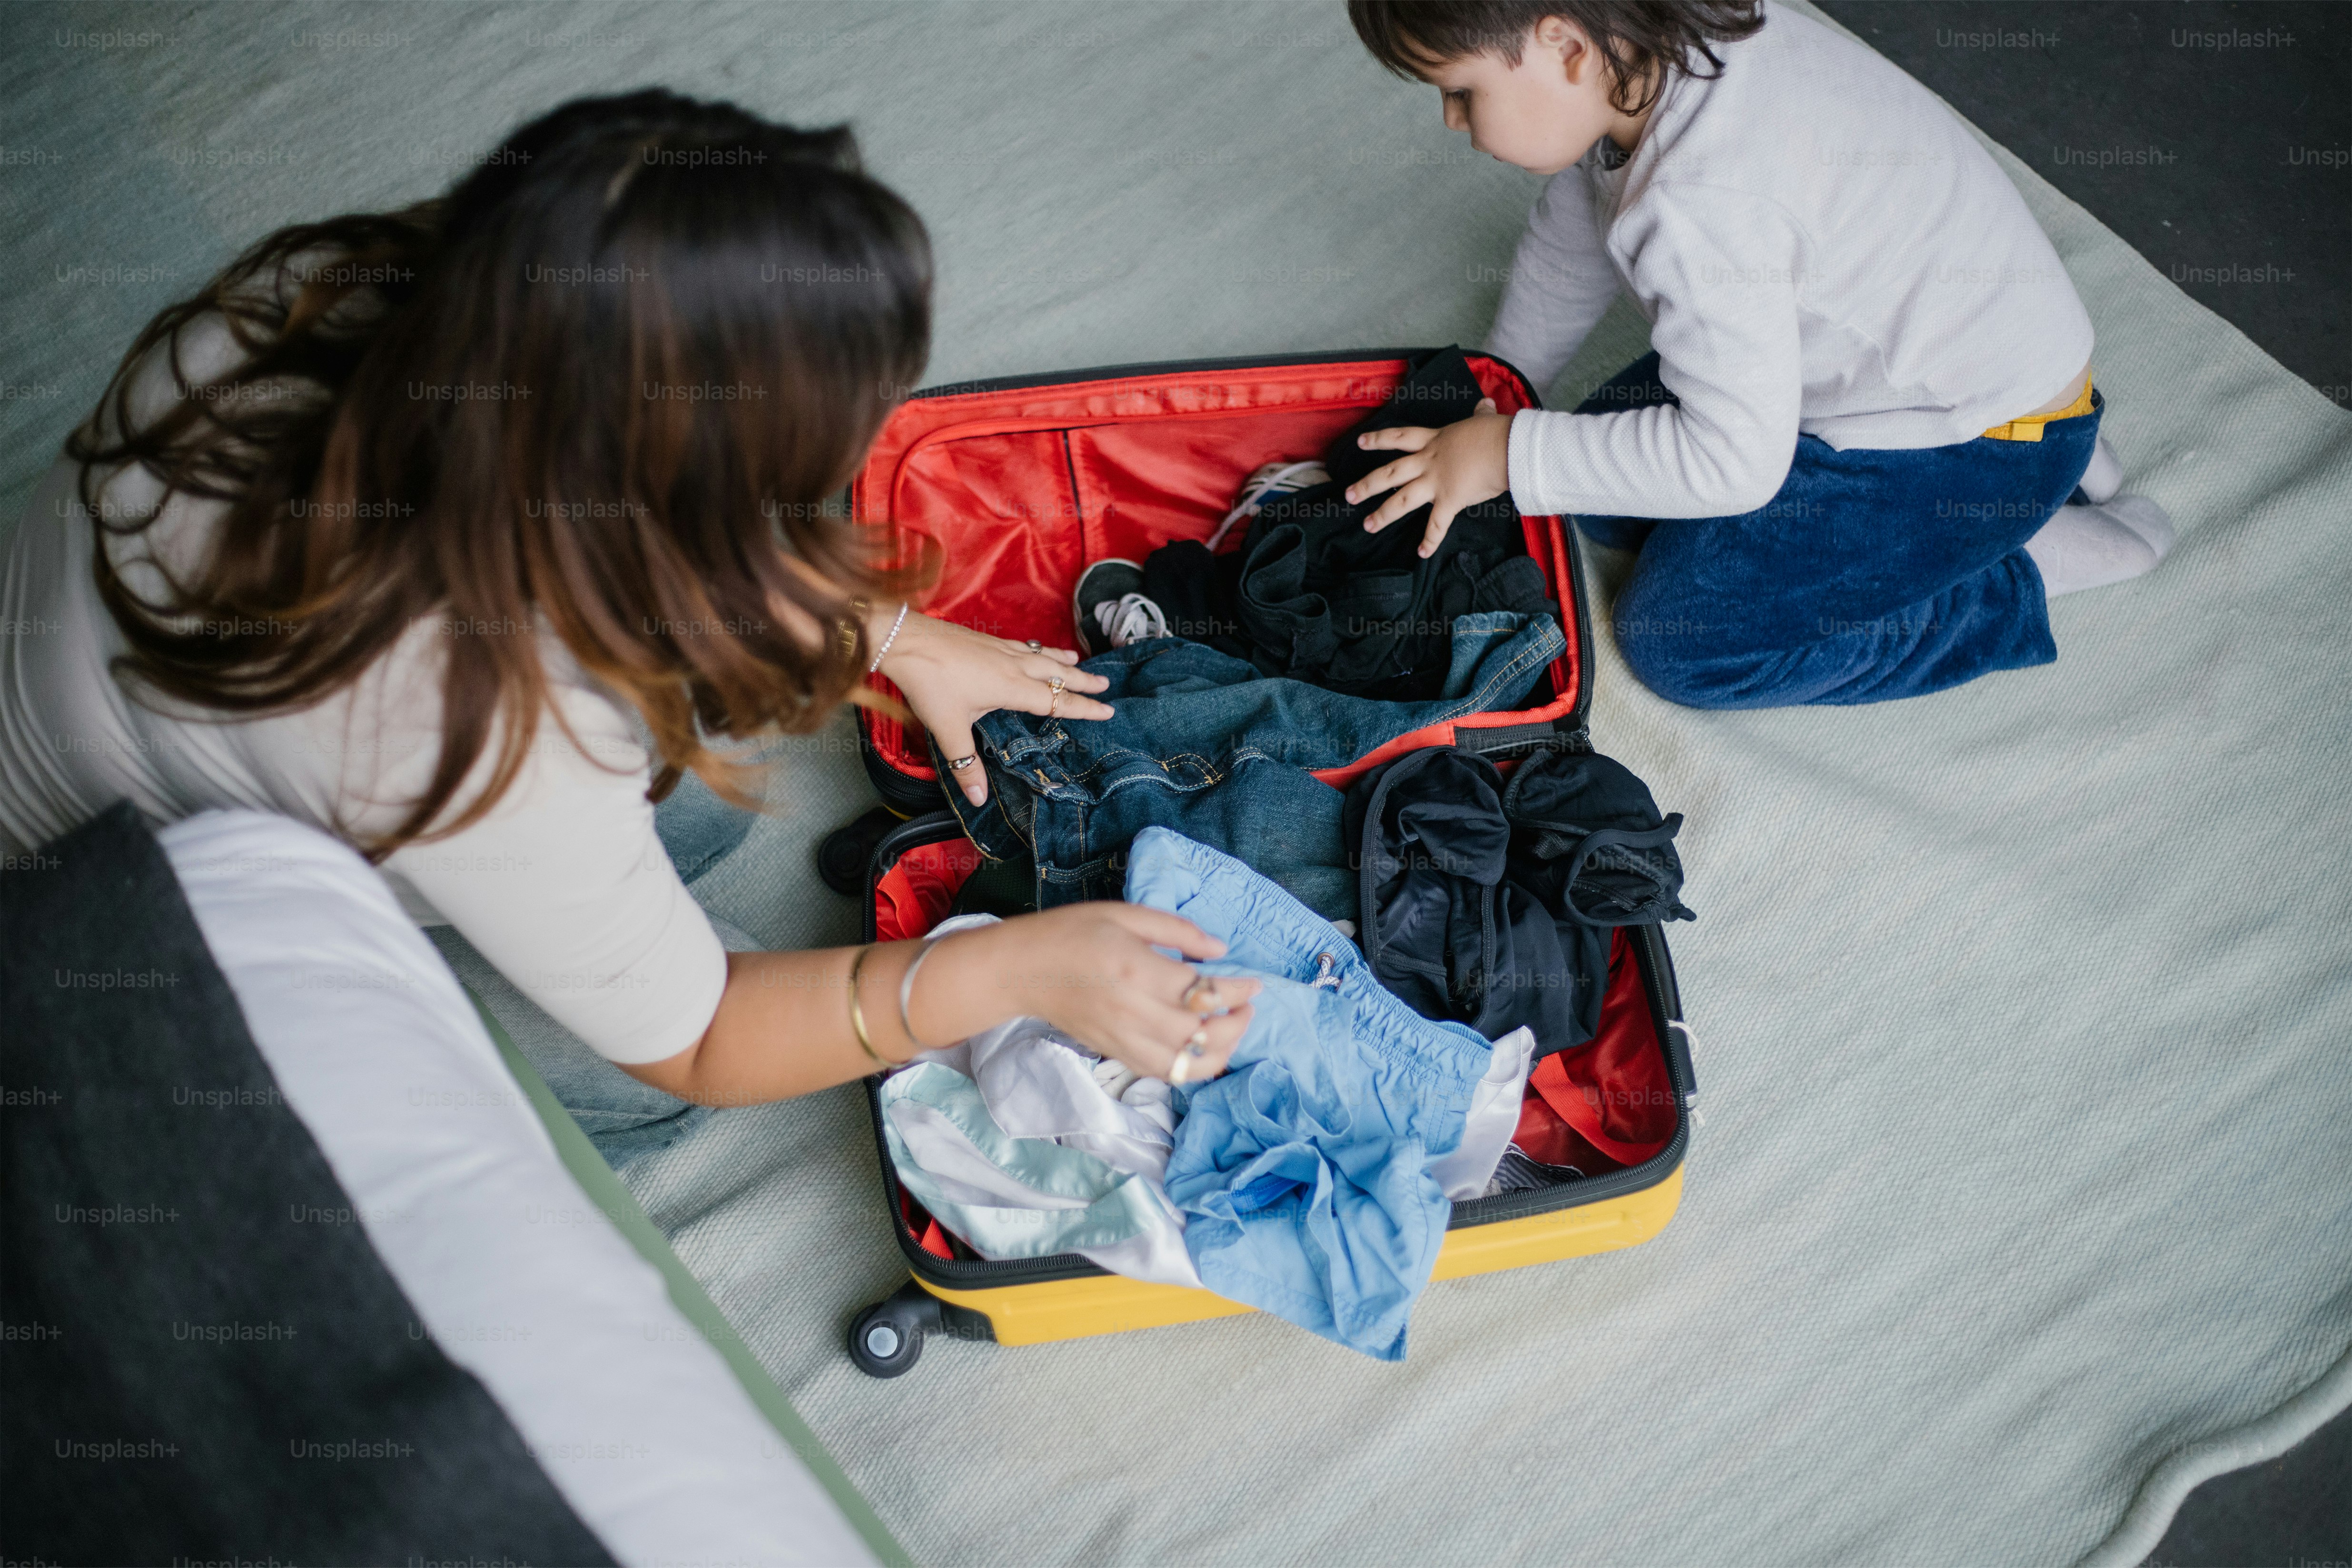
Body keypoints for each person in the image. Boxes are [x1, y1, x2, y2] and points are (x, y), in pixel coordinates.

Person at [0, 90, 1255, 1138]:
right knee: (636, 1086)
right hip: (110, 929)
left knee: (707, 796)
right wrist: (1002, 972)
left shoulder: (331, 293)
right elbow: (701, 1040)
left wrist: (900, 637)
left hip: (215, 724)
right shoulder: (479, 740)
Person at [1338, 0, 2178, 709]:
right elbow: (1569, 251)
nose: (1451, 120)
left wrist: (1509, 454)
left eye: (1459, 91)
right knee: (1592, 495)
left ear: (1562, 44)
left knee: (1683, 645)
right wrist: (1498, 403)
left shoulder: (1701, 203)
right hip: (1971, 362)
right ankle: (2058, 446)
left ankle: (2015, 561)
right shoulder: (1671, 40)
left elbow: (1734, 465)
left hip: (1969, 445)